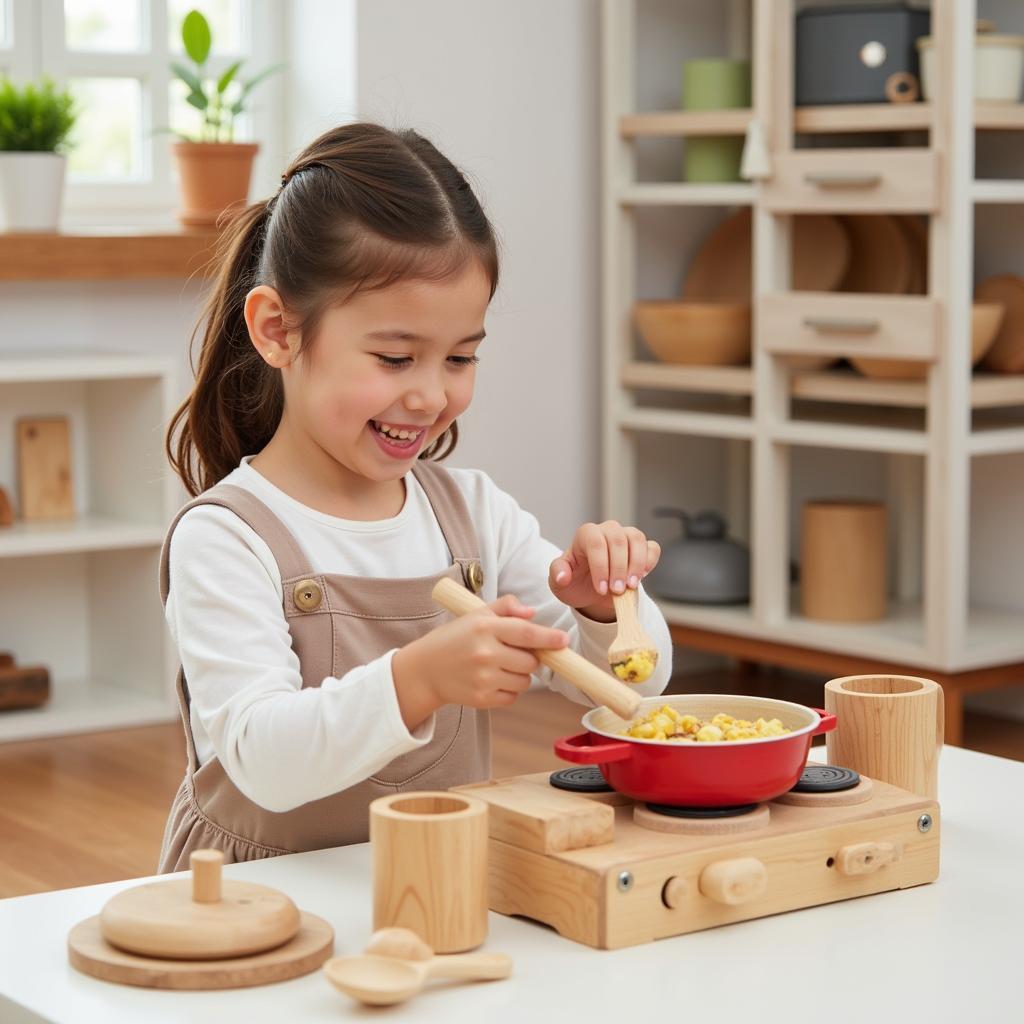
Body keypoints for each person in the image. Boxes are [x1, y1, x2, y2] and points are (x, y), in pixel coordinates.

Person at [158, 122, 672, 872]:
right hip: (253, 898)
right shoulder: (228, 537)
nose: (432, 394)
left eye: (461, 356)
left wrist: (603, 611)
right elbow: (261, 760)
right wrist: (418, 680)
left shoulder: (475, 515)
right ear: (277, 331)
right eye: (396, 357)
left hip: (433, 878)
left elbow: (645, 684)